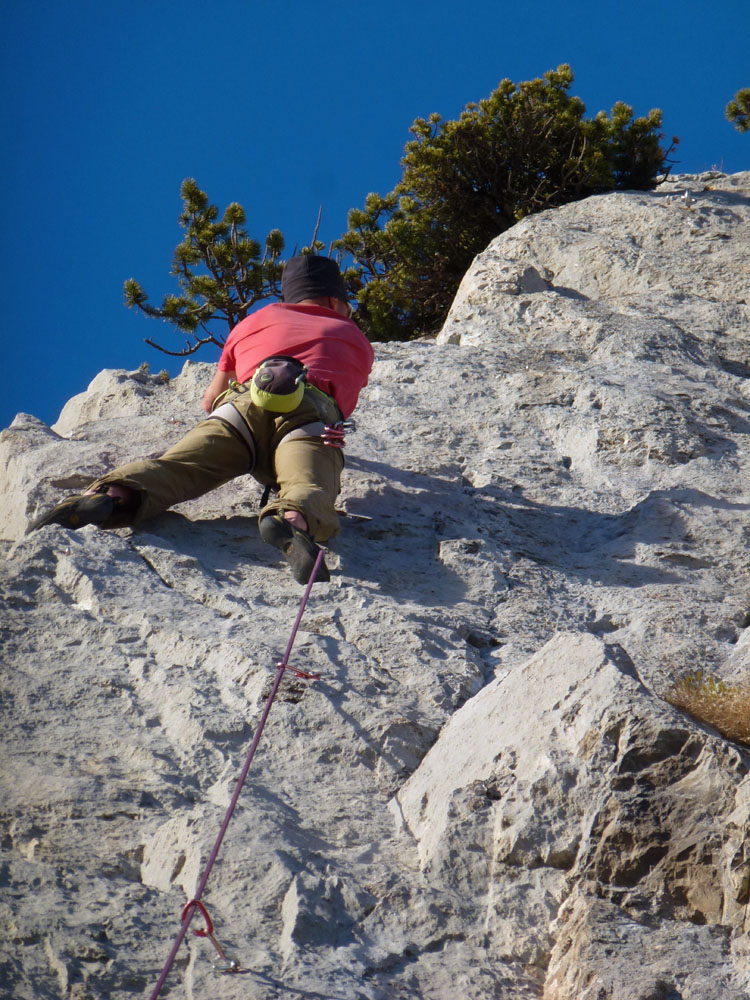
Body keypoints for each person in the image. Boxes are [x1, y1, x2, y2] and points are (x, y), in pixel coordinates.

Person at [29, 255, 375, 585]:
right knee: (308, 485)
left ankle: (111, 493)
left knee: (176, 468)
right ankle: (291, 518)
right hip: (306, 418)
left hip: (237, 411)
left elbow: (210, 399)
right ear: (334, 301)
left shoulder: (250, 324)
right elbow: (341, 407)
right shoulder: (354, 338)